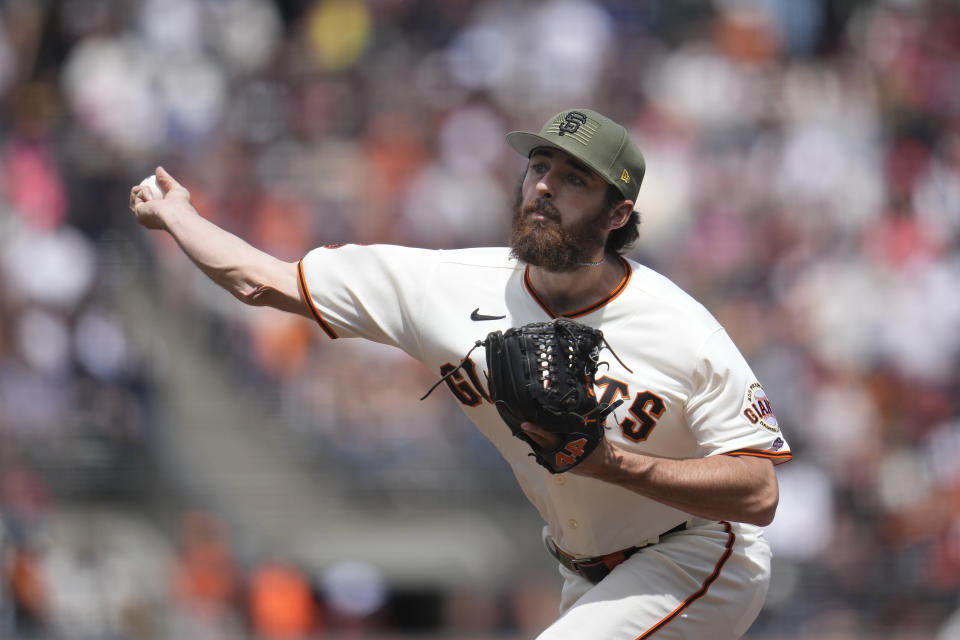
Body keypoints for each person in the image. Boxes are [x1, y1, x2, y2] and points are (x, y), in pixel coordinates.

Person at [130, 108, 791, 639]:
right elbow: (262, 282)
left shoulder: (681, 328)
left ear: (619, 215)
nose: (544, 188)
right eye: (540, 166)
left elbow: (759, 493)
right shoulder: (447, 285)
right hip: (584, 569)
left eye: (575, 180)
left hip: (699, 554)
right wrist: (178, 217)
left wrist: (610, 465)